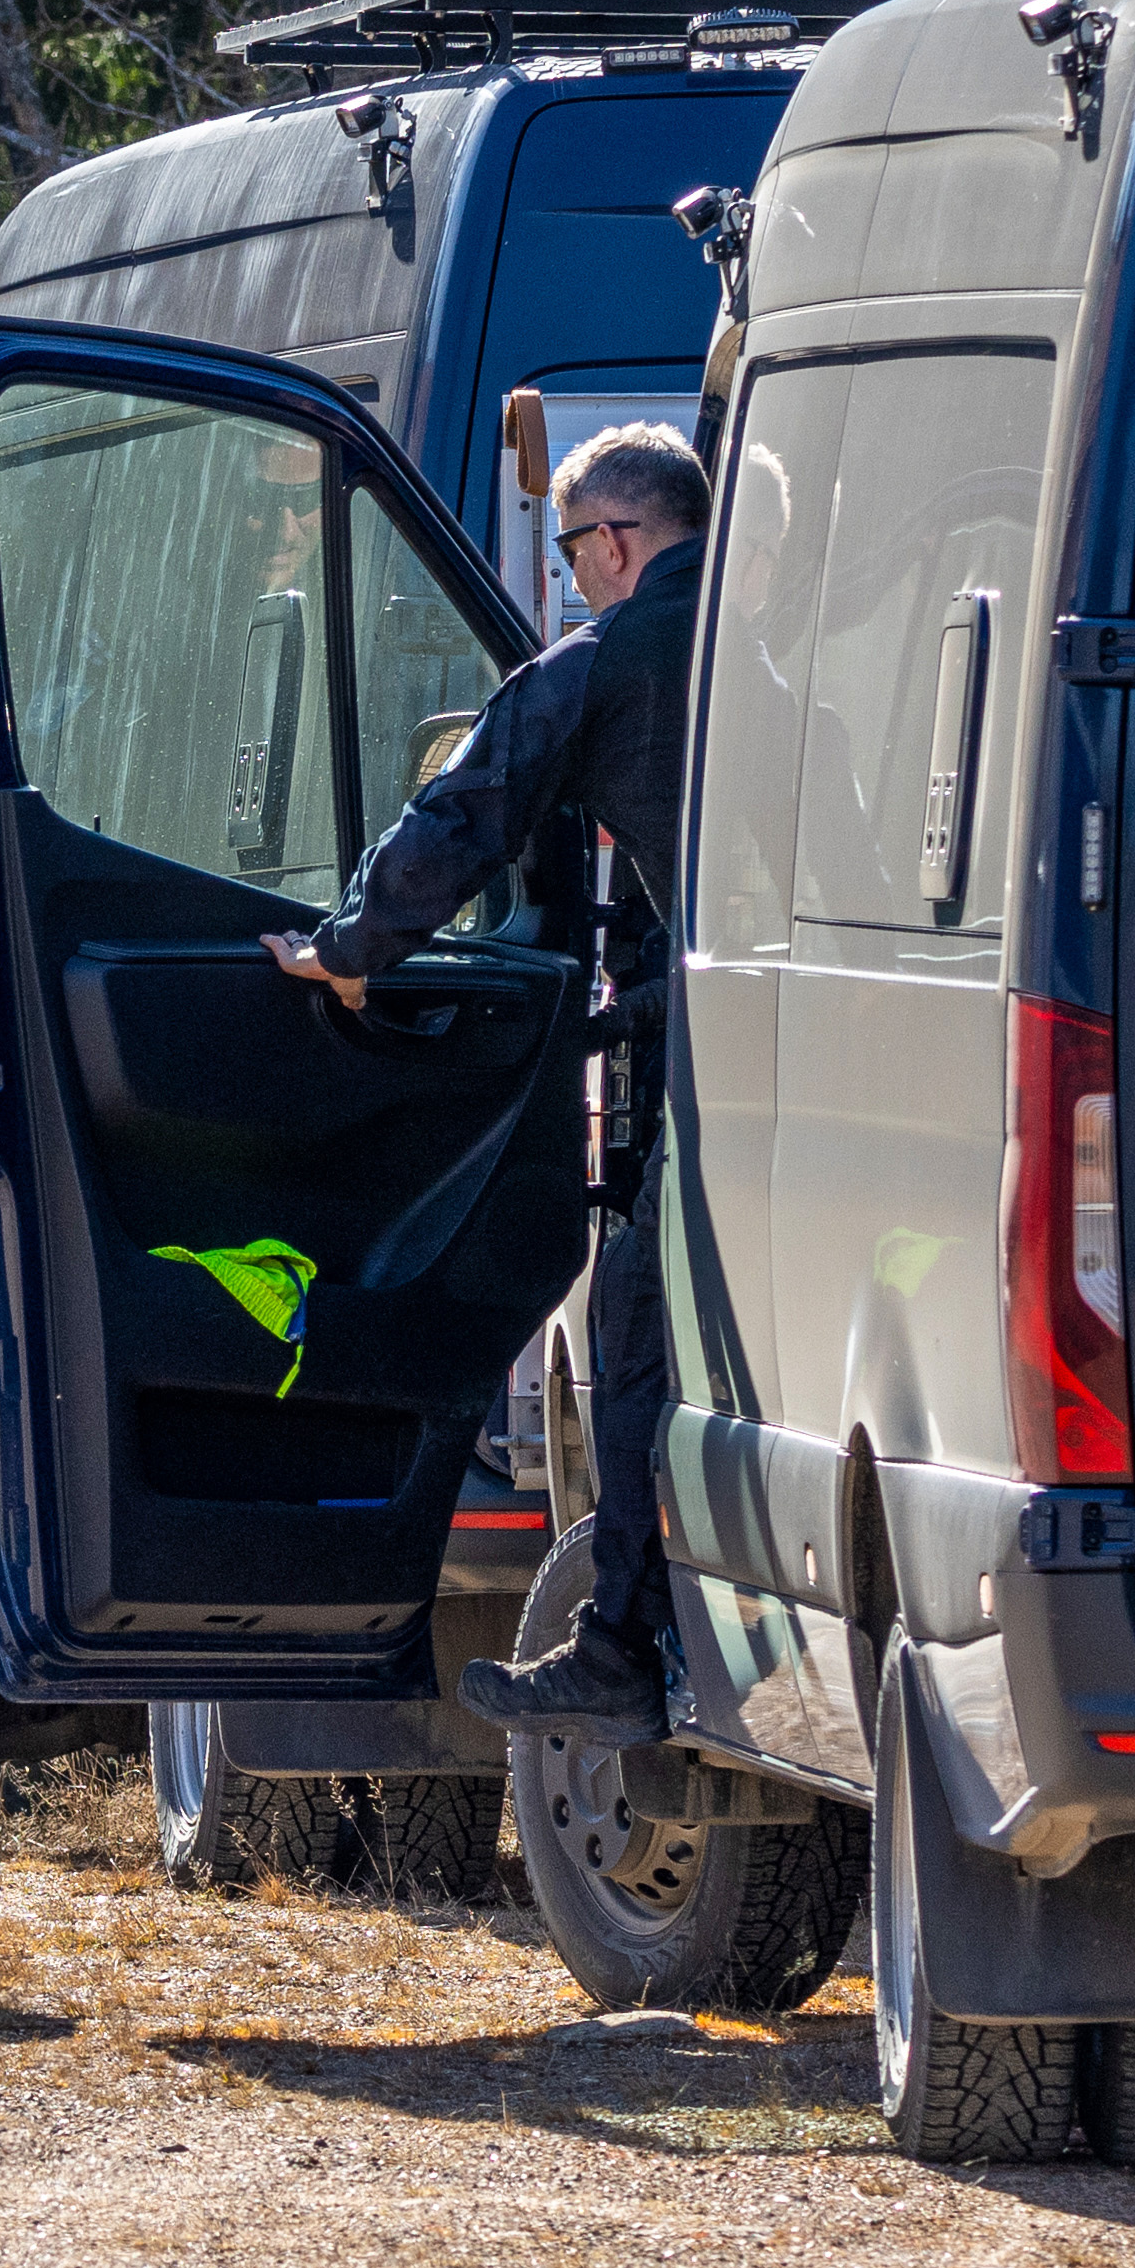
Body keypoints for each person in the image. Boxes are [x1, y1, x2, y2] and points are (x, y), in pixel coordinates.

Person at [271, 421, 709, 1742]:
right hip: (820, 1033)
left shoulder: (605, 661)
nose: (571, 579)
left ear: (616, 539)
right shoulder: (778, 636)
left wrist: (348, 951)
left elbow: (465, 810)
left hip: (714, 1058)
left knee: (634, 1325)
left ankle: (621, 1647)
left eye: (572, 553)